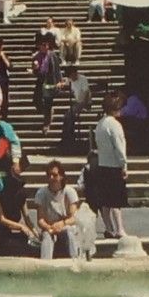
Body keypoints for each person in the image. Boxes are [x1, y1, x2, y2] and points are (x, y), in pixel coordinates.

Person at [84, 97, 129, 240]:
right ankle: (120, 229)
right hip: (114, 165)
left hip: (103, 164)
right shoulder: (115, 125)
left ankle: (109, 228)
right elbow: (119, 146)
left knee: (105, 200)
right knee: (116, 201)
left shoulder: (100, 124)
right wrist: (124, 164)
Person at [33, 160, 87, 261]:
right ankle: (45, 263)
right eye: (49, 175)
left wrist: (62, 224)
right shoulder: (41, 193)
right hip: (50, 227)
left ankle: (75, 260)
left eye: (54, 175)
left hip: (66, 226)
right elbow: (40, 220)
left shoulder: (70, 192)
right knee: (46, 235)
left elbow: (74, 218)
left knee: (69, 231)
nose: (51, 178)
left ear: (61, 176)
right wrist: (49, 227)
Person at [0, 157, 36, 257]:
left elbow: (27, 218)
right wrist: (21, 226)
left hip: (15, 231)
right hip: (1, 232)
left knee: (24, 241)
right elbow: (2, 219)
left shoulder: (21, 195)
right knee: (15, 246)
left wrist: (37, 234)